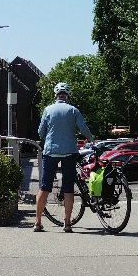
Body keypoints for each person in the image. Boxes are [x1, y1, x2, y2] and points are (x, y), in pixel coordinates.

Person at [35, 83, 92, 232]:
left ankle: (37, 222)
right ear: (68, 96)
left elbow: (40, 132)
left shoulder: (48, 110)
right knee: (68, 187)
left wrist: (48, 137)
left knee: (44, 186)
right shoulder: (73, 110)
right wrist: (91, 138)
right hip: (69, 152)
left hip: (50, 151)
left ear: (55, 96)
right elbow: (83, 128)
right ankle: (67, 223)